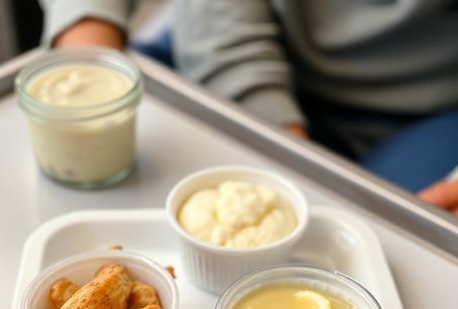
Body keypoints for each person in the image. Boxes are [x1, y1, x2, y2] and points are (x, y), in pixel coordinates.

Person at [39, 0, 458, 214]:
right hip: (221, 41)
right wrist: (89, 65)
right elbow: (222, 32)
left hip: (426, 104)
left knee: (401, 250)